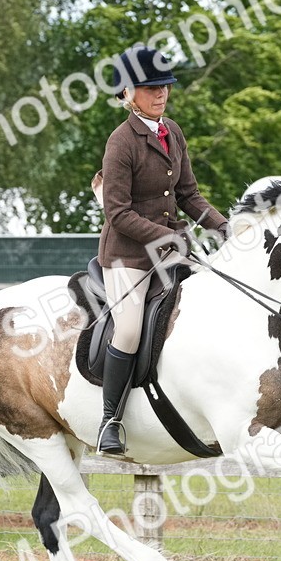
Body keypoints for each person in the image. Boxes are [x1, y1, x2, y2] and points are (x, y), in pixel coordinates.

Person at [95, 46, 228, 455]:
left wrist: (225, 226)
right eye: (151, 87)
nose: (161, 93)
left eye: (165, 86)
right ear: (128, 92)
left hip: (171, 249)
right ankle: (110, 421)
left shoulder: (172, 131)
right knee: (129, 328)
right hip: (128, 256)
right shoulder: (121, 142)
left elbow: (189, 195)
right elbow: (118, 213)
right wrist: (166, 237)